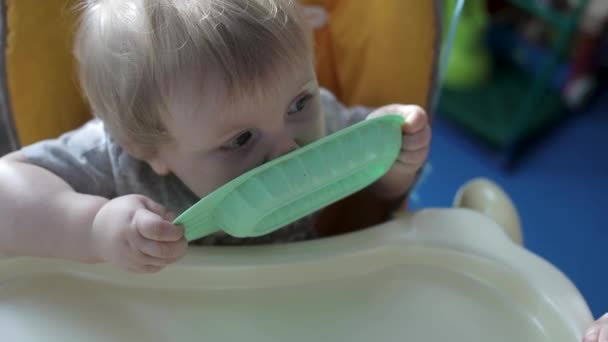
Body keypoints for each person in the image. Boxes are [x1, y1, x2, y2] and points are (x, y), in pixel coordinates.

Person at [0, 0, 430, 273]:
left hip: (296, 296)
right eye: (241, 139)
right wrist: (90, 227)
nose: (287, 150)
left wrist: (396, 158)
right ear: (148, 147)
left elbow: (374, 193)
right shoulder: (115, 160)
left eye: (299, 103)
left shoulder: (318, 123)